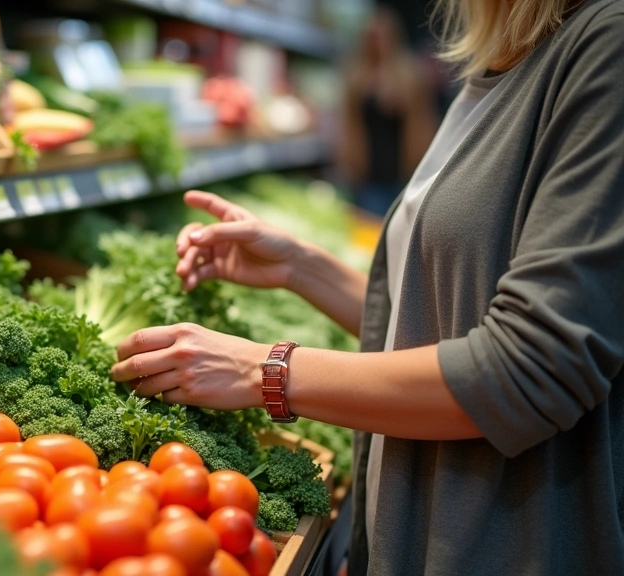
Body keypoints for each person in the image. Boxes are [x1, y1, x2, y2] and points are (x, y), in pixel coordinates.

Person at [110, 0, 624, 573]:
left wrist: (263, 369)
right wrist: (303, 269)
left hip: (504, 545)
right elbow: (451, 322)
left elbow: (528, 369)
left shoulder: (607, 46)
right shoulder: (502, 60)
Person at [337, 7, 438, 217]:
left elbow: (420, 120)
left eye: (383, 36)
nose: (378, 42)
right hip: (368, 172)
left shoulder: (410, 74)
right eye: (373, 37)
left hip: (403, 169)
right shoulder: (357, 75)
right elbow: (349, 124)